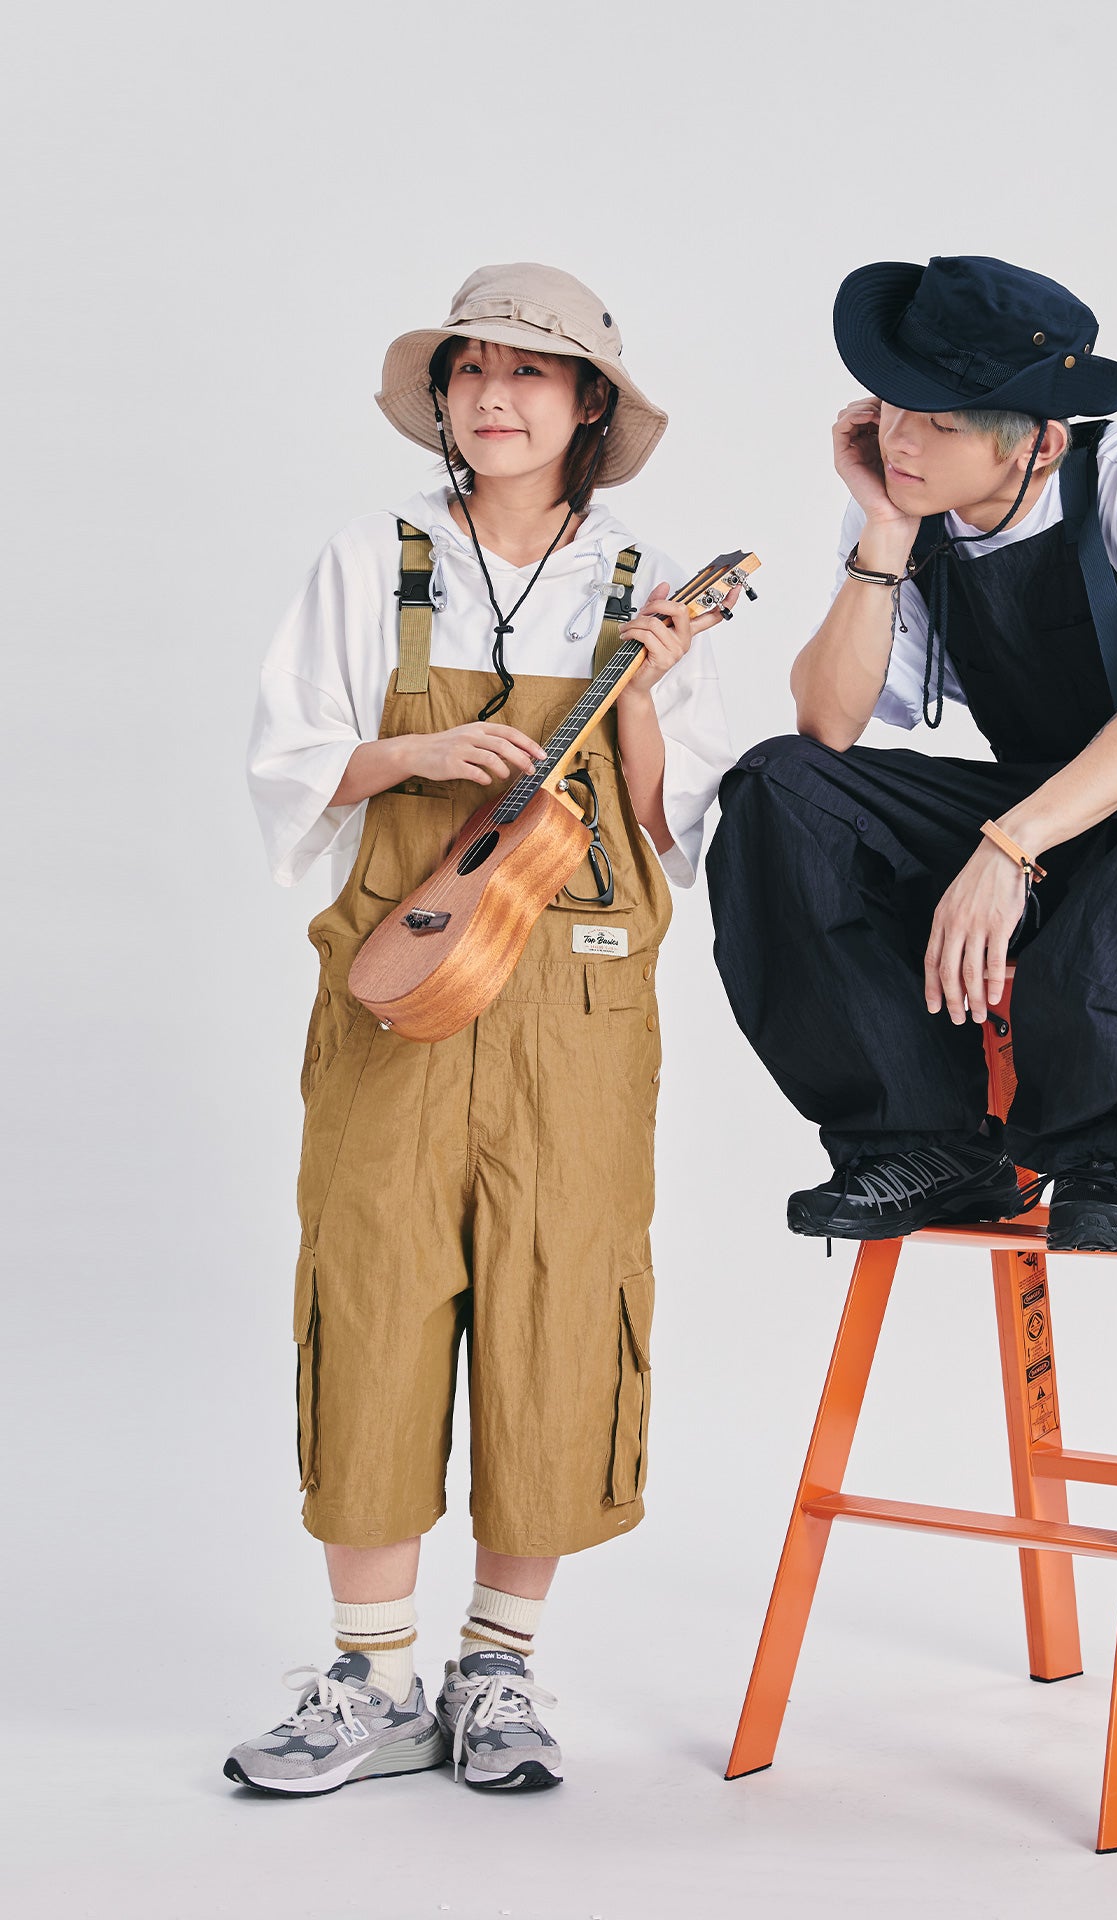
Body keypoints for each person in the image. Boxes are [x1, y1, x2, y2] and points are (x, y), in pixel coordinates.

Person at [235, 262, 736, 1796]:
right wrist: (415, 752)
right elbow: (286, 761)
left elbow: (673, 827)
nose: (494, 397)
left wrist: (643, 686)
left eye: (530, 372)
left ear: (588, 405)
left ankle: (499, 1673)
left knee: (557, 1302)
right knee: (373, 1288)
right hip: (398, 990)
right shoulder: (372, 556)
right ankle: (372, 1680)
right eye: (470, 371)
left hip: (578, 1005)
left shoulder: (645, 581)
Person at [708, 254, 1117, 1252]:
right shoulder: (900, 507)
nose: (899, 439)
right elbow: (826, 725)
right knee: (778, 785)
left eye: (939, 423)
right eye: (892, 406)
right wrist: (884, 532)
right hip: (1042, 814)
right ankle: (922, 1139)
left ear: (1038, 444)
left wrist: (1011, 845)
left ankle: (1098, 1147)